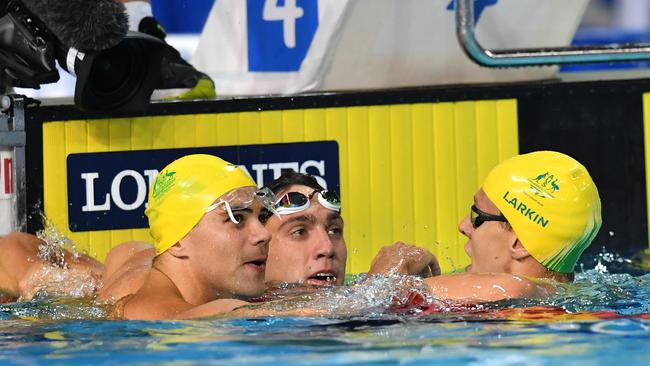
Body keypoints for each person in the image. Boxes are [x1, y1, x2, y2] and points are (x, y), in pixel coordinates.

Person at [414, 151, 602, 302]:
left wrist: (388, 272)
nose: (463, 226)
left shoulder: (516, 289)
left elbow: (392, 297)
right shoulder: (563, 296)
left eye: (477, 217)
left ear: (519, 244)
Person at [262, 170, 439, 288]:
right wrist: (380, 282)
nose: (327, 248)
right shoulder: (236, 310)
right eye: (299, 231)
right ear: (259, 249)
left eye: (334, 230)